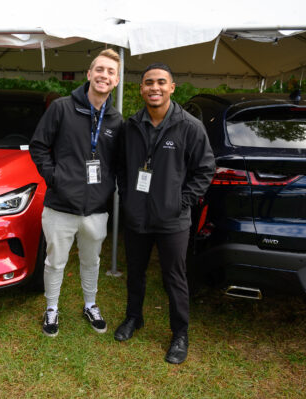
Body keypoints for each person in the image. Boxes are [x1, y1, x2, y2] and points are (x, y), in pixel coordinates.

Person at [114, 63, 215, 364]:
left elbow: (206, 169)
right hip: (136, 216)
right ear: (141, 88)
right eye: (148, 82)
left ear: (172, 87)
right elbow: (121, 165)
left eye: (161, 82)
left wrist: (183, 200)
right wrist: (127, 195)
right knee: (135, 273)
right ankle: (134, 318)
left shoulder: (190, 126)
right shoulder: (130, 126)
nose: (154, 87)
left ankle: (179, 334)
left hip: (172, 218)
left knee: (174, 277)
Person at [29, 49, 123, 337]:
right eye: (100, 69)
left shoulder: (116, 121)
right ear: (89, 74)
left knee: (91, 260)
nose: (104, 75)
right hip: (60, 205)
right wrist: (55, 177)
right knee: (55, 261)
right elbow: (38, 146)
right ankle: (52, 308)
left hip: (96, 208)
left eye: (110, 72)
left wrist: (107, 188)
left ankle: (90, 304)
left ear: (116, 80)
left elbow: (117, 163)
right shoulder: (62, 108)